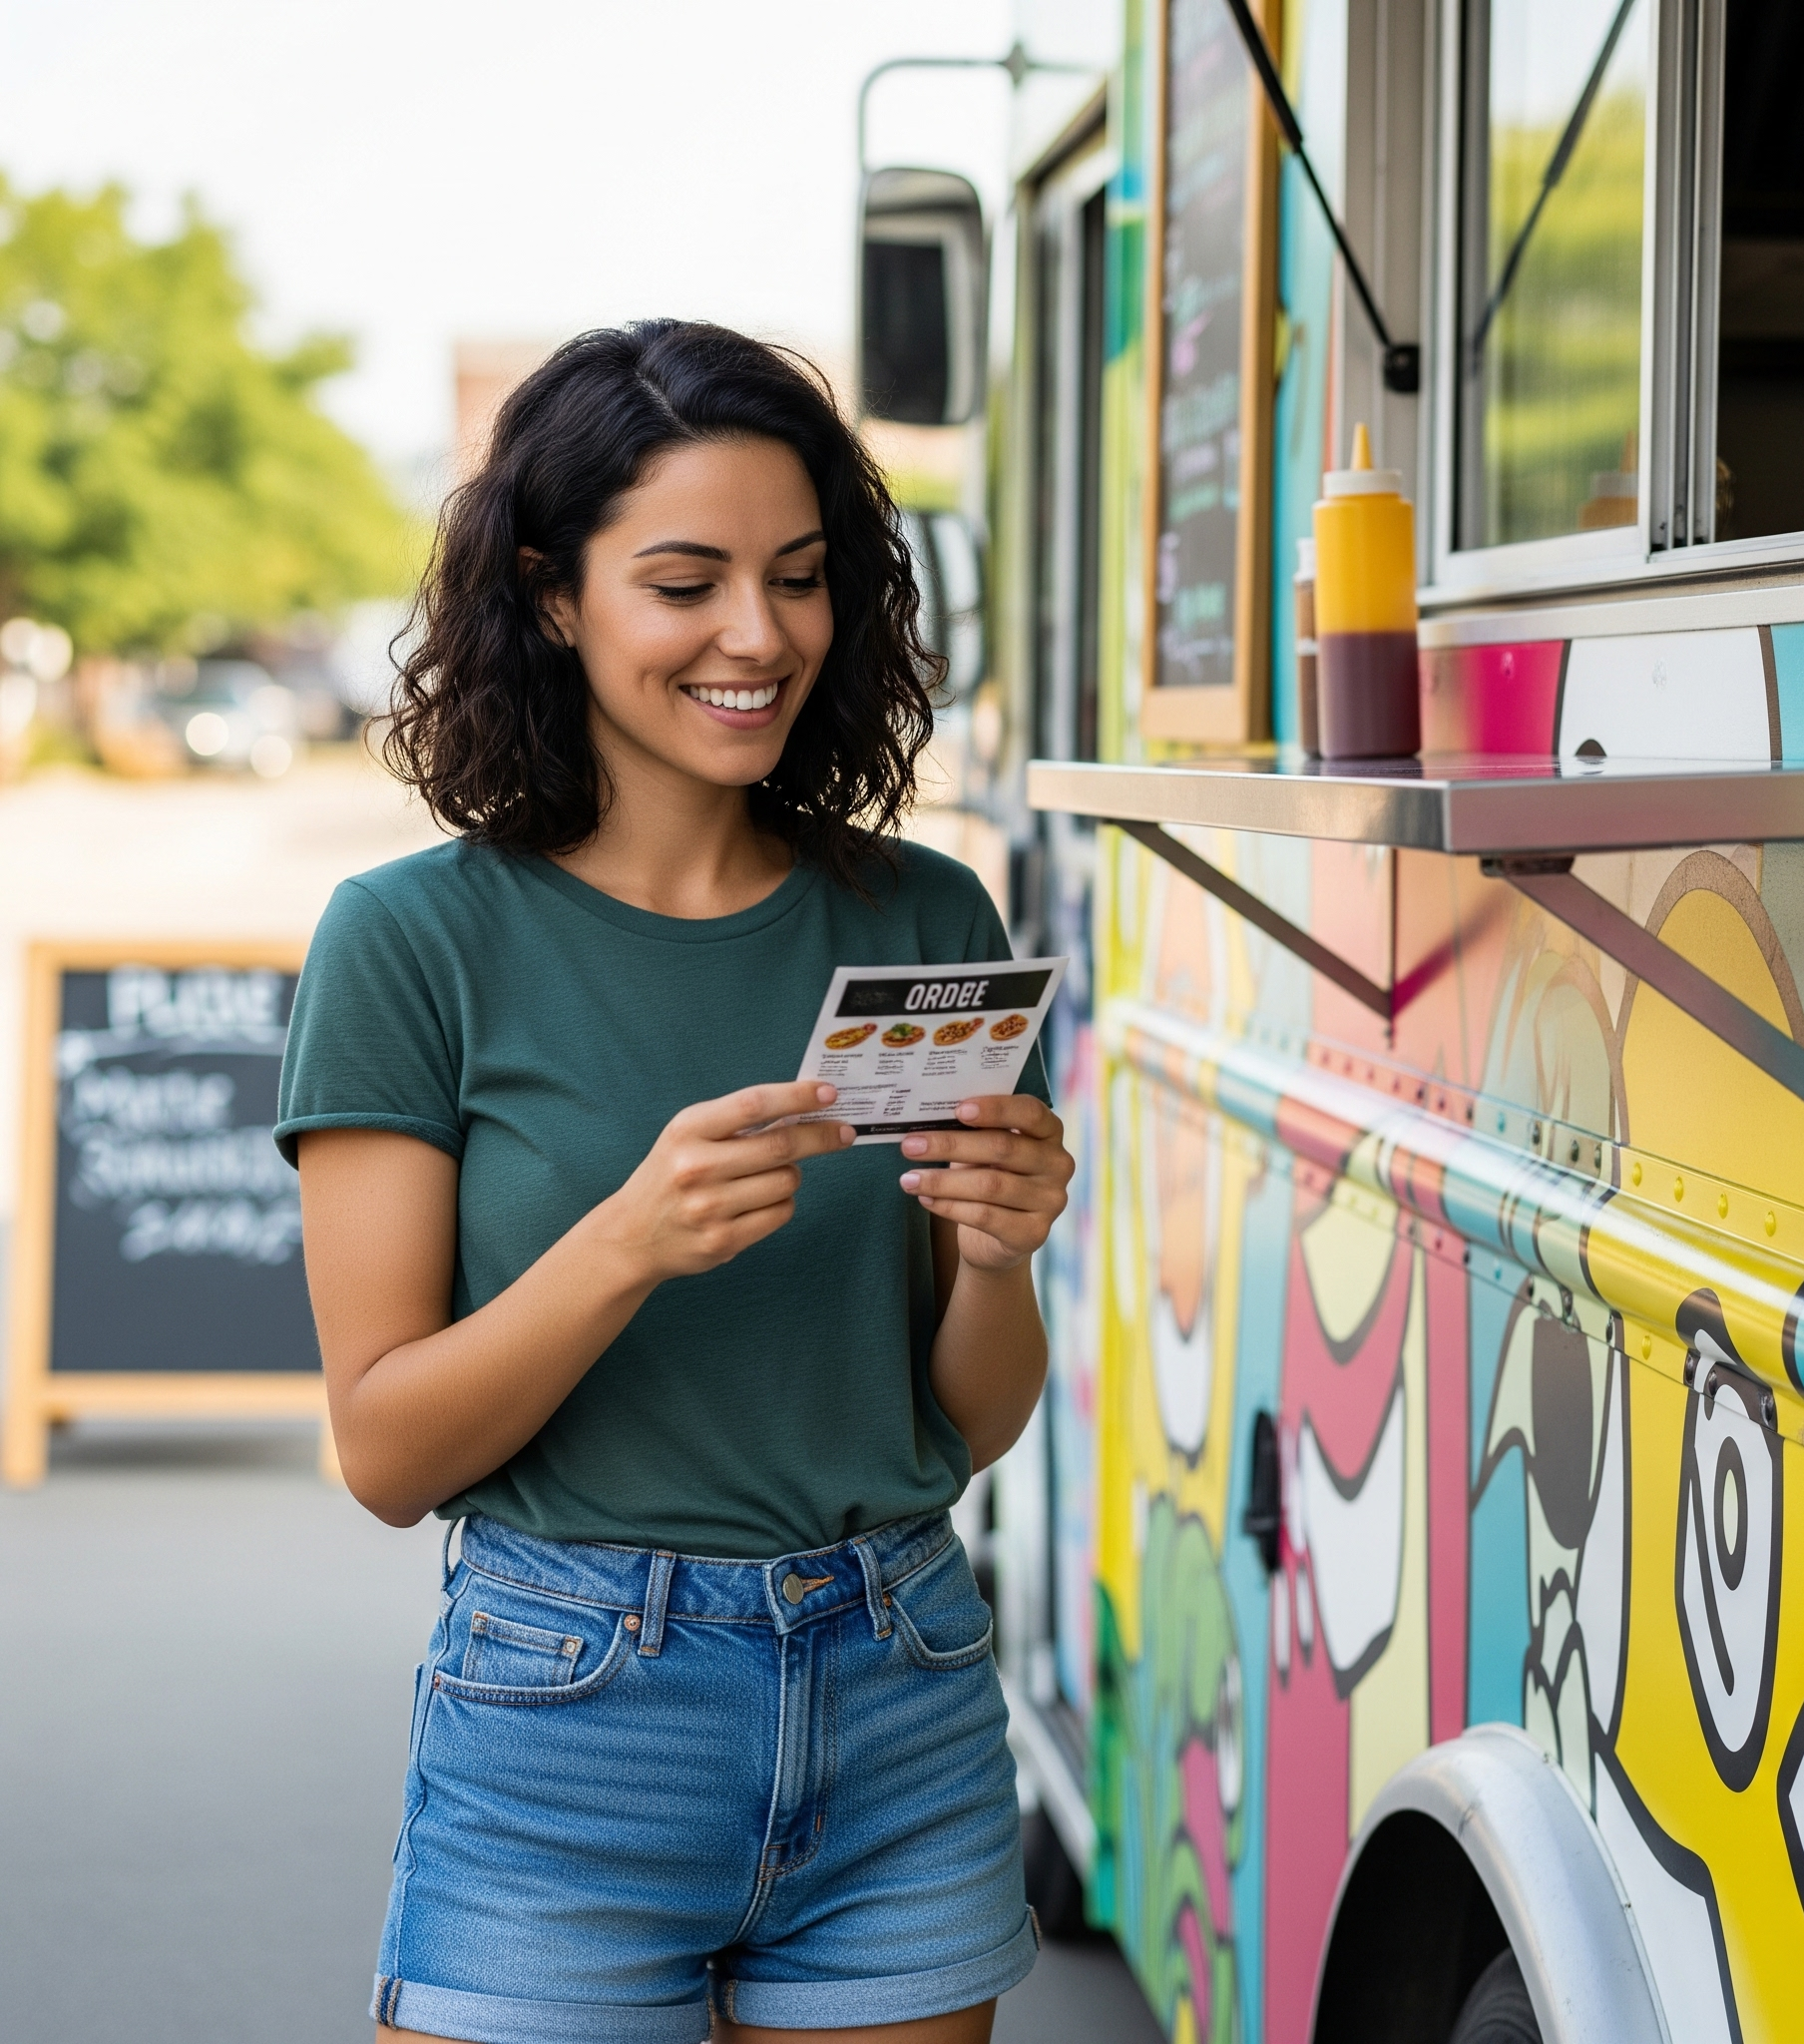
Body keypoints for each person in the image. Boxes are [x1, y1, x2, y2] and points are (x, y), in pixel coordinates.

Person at [280, 321, 1074, 2044]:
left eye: (798, 577)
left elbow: (968, 1422)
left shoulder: (927, 920)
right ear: (553, 598)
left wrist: (999, 1258)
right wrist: (626, 1245)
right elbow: (389, 1455)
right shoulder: (411, 943)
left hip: (903, 1688)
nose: (759, 636)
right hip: (569, 1720)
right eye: (685, 582)